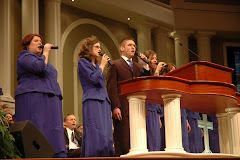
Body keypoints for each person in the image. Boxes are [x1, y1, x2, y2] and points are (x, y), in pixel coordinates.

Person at [15, 34, 67, 158]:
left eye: (41, 41)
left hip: (51, 98)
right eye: (36, 40)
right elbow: (39, 67)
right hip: (34, 96)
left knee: (53, 132)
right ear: (27, 45)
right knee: (37, 129)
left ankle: (56, 153)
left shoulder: (44, 60)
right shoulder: (24, 56)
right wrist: (46, 52)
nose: (40, 42)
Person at [106, 38, 150, 156]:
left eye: (134, 46)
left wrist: (145, 65)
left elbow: (147, 81)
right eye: (130, 45)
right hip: (123, 109)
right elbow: (111, 88)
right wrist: (115, 106)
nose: (133, 48)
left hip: (138, 108)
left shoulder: (138, 67)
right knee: (123, 141)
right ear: (122, 48)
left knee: (138, 142)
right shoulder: (115, 64)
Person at [78, 36, 115, 157]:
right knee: (95, 132)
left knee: (106, 133)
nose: (100, 49)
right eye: (97, 47)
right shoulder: (83, 62)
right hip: (92, 100)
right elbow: (93, 79)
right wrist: (103, 65)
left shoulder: (96, 66)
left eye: (100, 47)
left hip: (103, 101)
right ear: (89, 48)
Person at [157, 63, 191, 152]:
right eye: (171, 70)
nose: (174, 72)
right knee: (169, 141)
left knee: (183, 141)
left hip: (181, 114)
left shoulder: (179, 82)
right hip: (167, 112)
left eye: (175, 70)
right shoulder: (163, 82)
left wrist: (186, 120)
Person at [143, 50, 165, 151]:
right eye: (153, 58)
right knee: (151, 140)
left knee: (156, 141)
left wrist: (159, 115)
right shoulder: (144, 72)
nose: (155, 60)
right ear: (147, 60)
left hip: (155, 110)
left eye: (156, 58)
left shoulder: (155, 73)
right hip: (148, 109)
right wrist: (157, 71)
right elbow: (152, 85)